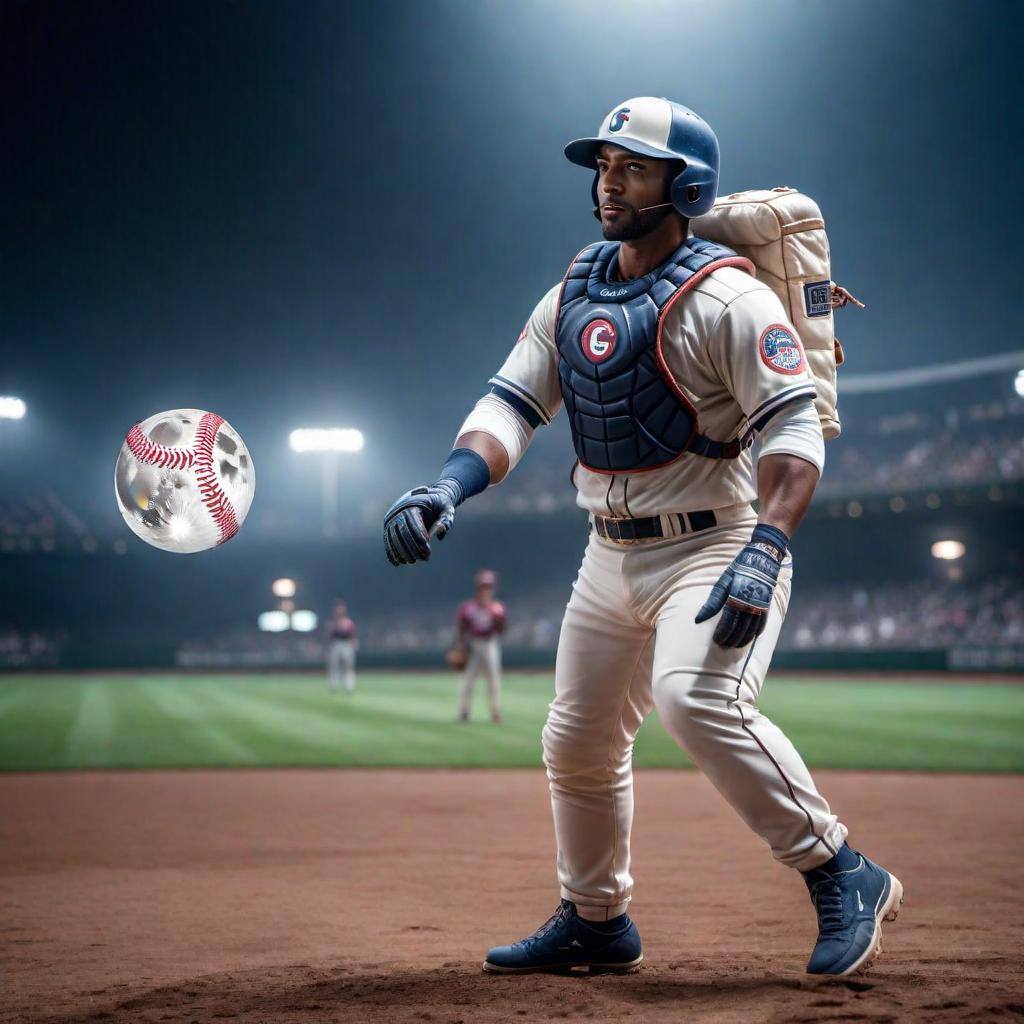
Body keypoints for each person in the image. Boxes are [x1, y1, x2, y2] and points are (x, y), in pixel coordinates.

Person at [383, 97, 903, 977]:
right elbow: (511, 404)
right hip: (609, 552)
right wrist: (448, 485)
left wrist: (767, 546)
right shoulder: (574, 289)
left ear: (684, 183)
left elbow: (795, 428)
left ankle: (842, 870)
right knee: (577, 739)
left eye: (631, 165)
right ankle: (596, 920)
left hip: (718, 542)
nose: (607, 181)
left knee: (698, 699)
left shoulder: (730, 295)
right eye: (603, 165)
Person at [455, 570, 506, 723]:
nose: (486, 589)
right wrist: (460, 645)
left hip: (490, 643)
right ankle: (464, 710)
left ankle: (495, 711)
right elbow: (461, 626)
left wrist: (499, 623)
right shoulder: (469, 607)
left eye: (488, 586)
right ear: (478, 588)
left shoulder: (497, 608)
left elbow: (502, 628)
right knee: (468, 680)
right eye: (484, 586)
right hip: (473, 644)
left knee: (493, 680)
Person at [325, 600, 357, 694]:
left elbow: (352, 635)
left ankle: (349, 687)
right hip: (336, 644)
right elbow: (330, 636)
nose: (340, 611)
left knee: (348, 666)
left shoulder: (348, 622)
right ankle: (333, 686)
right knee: (334, 666)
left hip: (346, 644)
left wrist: (352, 644)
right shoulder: (333, 623)